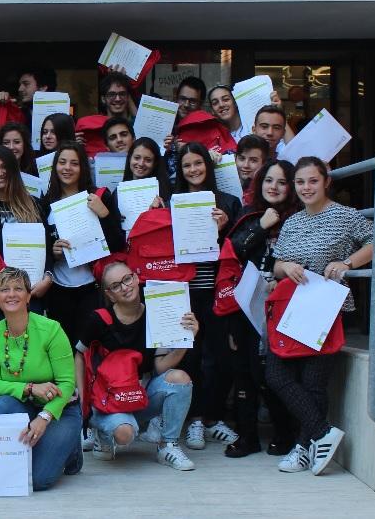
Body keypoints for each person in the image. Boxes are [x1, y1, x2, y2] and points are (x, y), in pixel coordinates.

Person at [269, 156, 375, 475]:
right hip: (291, 309)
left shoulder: (345, 216)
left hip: (325, 308)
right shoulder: (292, 221)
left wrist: (348, 263)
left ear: (326, 181)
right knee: (277, 375)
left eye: (312, 180)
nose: (306, 187)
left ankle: (303, 447)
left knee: (313, 384)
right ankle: (323, 433)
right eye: (300, 182)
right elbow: (276, 265)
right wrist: (287, 268)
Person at [80, 263, 198, 470]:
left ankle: (168, 445)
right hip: (108, 398)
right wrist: (84, 401)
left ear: (136, 278)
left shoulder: (155, 314)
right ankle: (102, 432)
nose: (125, 287)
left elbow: (161, 367)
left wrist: (186, 340)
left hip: (140, 394)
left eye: (127, 279)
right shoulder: (98, 319)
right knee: (125, 435)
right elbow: (79, 354)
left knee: (180, 379)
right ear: (110, 294)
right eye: (116, 286)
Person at [0, 267, 82, 491]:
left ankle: (71, 447)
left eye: (18, 288)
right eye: (4, 290)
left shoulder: (51, 329)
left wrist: (44, 417)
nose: (11, 294)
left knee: (38, 480)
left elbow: (67, 384)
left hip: (59, 408)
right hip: (23, 404)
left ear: (28, 296)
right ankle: (40, 447)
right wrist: (30, 388)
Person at [224, 159, 298, 458]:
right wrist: (261, 225)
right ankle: (248, 437)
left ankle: (284, 433)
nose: (274, 187)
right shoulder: (248, 214)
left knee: (276, 373)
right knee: (244, 372)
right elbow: (234, 249)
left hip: (286, 305)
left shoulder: (298, 218)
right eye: (269, 180)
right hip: (246, 304)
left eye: (282, 182)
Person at [172, 142, 242, 451]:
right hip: (184, 293)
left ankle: (213, 417)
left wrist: (224, 229)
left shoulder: (228, 202)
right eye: (187, 165)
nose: (193, 170)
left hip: (218, 293)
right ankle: (196, 419)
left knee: (221, 358)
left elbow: (240, 249)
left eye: (198, 163)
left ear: (207, 166)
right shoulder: (173, 204)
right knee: (191, 357)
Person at [41, 143, 123, 343]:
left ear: (83, 168)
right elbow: (40, 249)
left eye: (74, 163)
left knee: (89, 345)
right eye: (62, 162)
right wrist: (54, 252)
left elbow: (118, 244)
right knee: (62, 345)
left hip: (92, 286)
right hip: (58, 289)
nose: (67, 168)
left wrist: (104, 214)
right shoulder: (45, 203)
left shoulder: (98, 197)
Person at [0, 146, 53, 326]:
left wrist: (48, 277)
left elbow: (46, 247)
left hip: (33, 293)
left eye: (4, 167)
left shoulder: (35, 205)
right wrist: (2, 287)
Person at [235, 135, 271, 200]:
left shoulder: (270, 191)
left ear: (264, 163)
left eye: (253, 160)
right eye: (242, 158)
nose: (246, 165)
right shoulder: (222, 181)